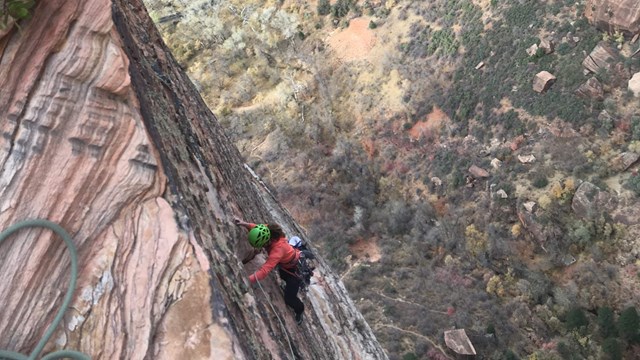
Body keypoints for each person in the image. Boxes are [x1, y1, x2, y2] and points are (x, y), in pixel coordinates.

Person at [234, 218, 305, 324]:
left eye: (262, 245)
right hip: (286, 265)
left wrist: (246, 280)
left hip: (294, 271)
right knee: (283, 274)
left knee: (289, 298)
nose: (262, 247)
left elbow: (264, 271)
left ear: (268, 240)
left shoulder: (277, 250)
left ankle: (300, 311)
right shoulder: (268, 231)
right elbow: (257, 229)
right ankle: (286, 283)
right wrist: (244, 224)